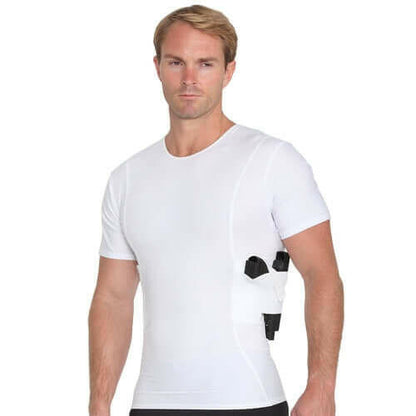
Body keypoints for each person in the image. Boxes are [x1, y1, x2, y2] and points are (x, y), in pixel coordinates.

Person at [88, 5, 344, 416]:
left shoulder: (273, 161)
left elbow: (322, 275)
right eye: (176, 62)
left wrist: (322, 385)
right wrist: (100, 401)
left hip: (249, 400)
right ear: (157, 67)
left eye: (205, 64)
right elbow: (113, 297)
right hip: (153, 404)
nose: (189, 78)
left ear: (228, 71)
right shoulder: (127, 179)